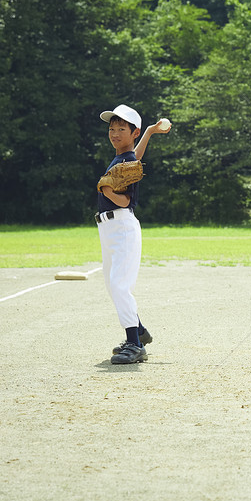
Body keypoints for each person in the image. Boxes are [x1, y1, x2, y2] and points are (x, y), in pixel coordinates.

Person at [97, 104, 169, 364]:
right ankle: (138, 331)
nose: (115, 133)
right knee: (112, 285)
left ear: (132, 132)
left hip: (122, 227)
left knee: (119, 285)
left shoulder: (126, 161)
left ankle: (135, 345)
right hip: (108, 229)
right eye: (111, 128)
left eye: (121, 129)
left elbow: (126, 201)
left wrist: (107, 192)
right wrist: (149, 132)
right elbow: (134, 156)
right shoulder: (124, 158)